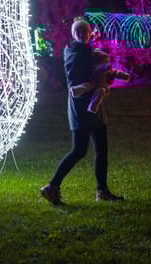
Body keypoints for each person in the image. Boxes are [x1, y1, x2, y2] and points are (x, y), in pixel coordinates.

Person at [40, 18, 128, 205]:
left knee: (101, 149)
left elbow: (96, 72)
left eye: (85, 31)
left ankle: (102, 191)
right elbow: (79, 81)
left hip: (94, 105)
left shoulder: (85, 51)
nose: (82, 34)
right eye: (78, 31)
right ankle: (52, 186)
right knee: (79, 150)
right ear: (74, 34)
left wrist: (105, 78)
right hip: (81, 107)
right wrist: (98, 80)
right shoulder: (75, 52)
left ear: (90, 33)